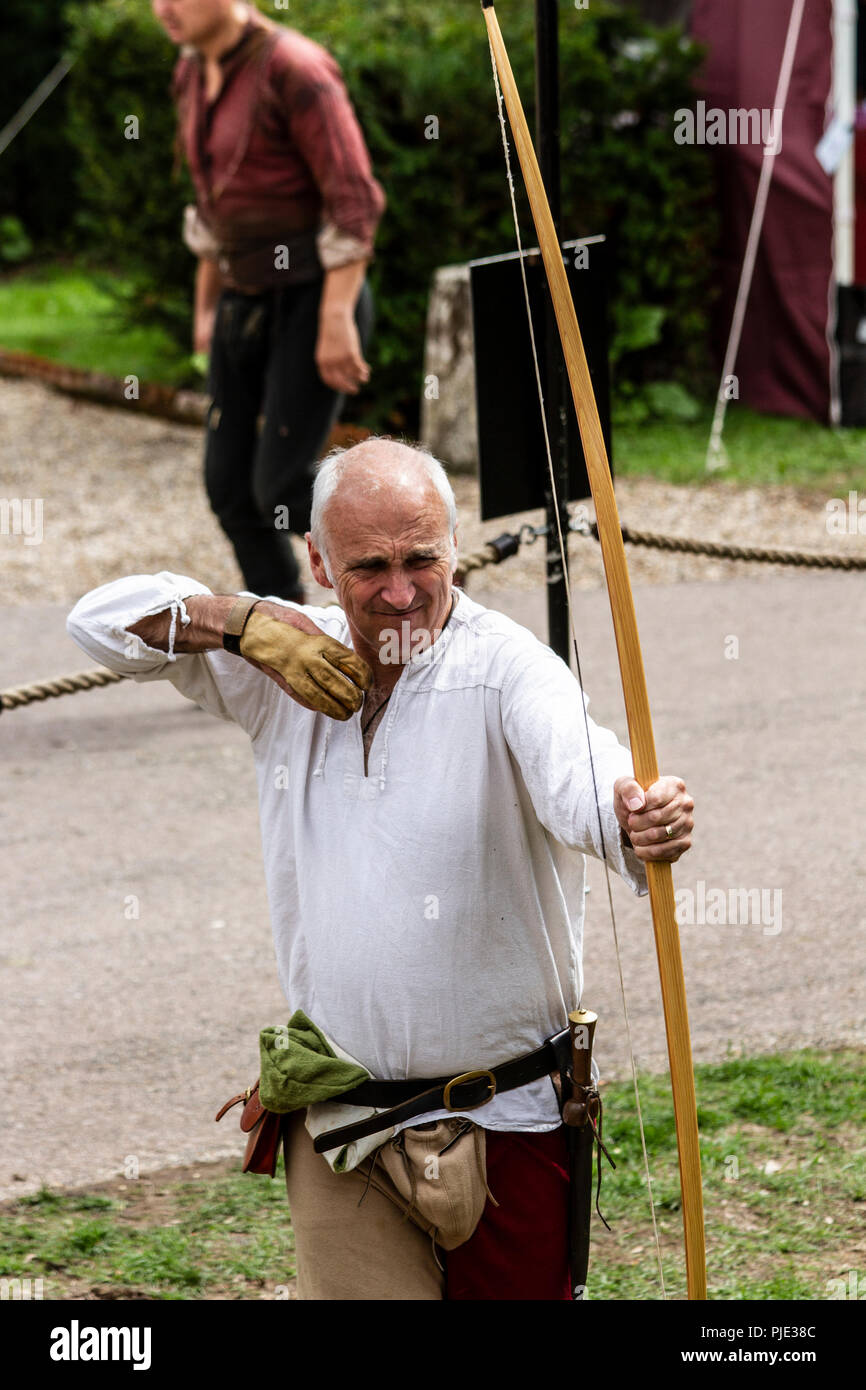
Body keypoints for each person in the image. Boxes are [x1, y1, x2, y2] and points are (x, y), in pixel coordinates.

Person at [66, 438, 695, 1300]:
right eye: (369, 566)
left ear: (455, 545)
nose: (401, 593)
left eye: (421, 559)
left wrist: (630, 814)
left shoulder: (506, 668)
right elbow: (97, 621)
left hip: (506, 1122)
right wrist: (243, 624)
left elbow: (577, 769)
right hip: (343, 1127)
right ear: (319, 562)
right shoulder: (280, 659)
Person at [153, 0, 386, 600]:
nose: (162, 8)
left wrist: (336, 319)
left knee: (281, 489)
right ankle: (284, 633)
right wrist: (206, 310)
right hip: (240, 299)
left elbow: (354, 202)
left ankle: (412, 557)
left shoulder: (296, 67)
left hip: (313, 300)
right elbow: (212, 209)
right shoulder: (190, 73)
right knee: (229, 488)